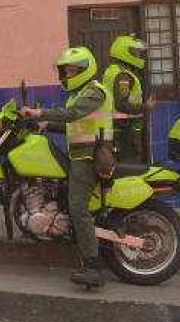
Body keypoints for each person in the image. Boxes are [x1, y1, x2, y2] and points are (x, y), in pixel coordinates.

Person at [21, 46, 114, 289]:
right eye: (66, 71)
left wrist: (40, 112)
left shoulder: (95, 92)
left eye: (72, 71)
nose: (68, 75)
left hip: (90, 159)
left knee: (77, 207)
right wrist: (45, 125)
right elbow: (74, 126)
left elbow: (72, 114)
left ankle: (93, 268)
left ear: (85, 70)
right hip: (80, 156)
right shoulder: (80, 93)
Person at [102, 36, 149, 165]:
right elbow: (122, 104)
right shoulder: (123, 76)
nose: (139, 56)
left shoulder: (112, 71)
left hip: (116, 125)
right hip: (125, 126)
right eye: (136, 53)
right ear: (125, 52)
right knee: (130, 163)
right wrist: (145, 106)